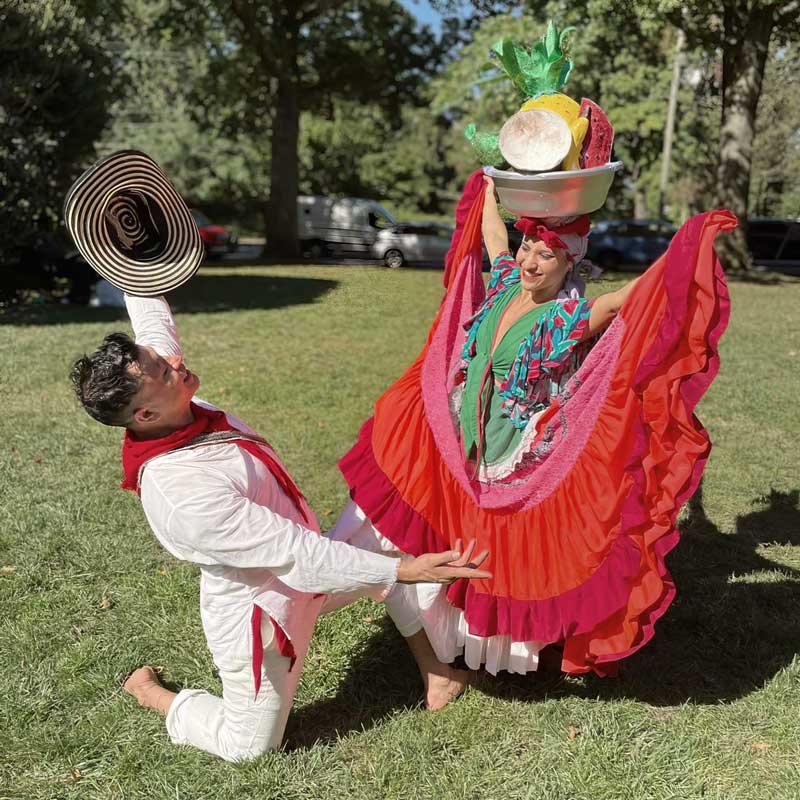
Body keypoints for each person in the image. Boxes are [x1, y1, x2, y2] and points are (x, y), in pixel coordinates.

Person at [338, 169, 736, 678]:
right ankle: (411, 606)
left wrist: (684, 249)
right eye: (529, 247)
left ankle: (470, 641)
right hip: (461, 430)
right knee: (439, 518)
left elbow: (622, 301)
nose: (529, 260)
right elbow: (492, 236)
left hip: (507, 450)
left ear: (570, 260)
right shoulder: (505, 281)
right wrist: (488, 184)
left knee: (491, 546)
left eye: (545, 254)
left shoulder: (565, 319)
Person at [70, 292, 490, 762]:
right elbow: (297, 555)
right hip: (263, 611)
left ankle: (437, 671)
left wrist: (133, 265)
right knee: (249, 747)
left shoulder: (171, 403)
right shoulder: (182, 493)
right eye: (165, 372)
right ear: (144, 416)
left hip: (314, 564)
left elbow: (154, 330)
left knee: (393, 527)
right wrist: (408, 570)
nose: (174, 363)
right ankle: (155, 695)